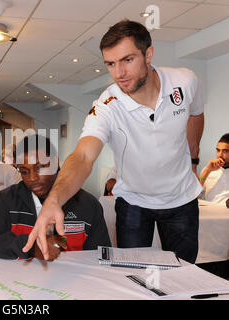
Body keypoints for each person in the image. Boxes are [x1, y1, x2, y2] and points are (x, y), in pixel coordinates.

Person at [23, 19, 205, 264]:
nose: (119, 73)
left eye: (127, 60)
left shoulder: (185, 81)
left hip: (182, 198)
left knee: (184, 274)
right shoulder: (107, 106)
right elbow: (83, 156)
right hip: (134, 202)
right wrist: (54, 199)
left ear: (148, 54)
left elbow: (195, 113)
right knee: (132, 275)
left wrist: (193, 157)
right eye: (110, 63)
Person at [0, 134, 111, 261]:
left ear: (55, 163)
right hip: (19, 278)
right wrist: (31, 246)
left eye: (40, 167)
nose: (32, 178)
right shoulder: (8, 200)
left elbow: (102, 256)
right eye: (24, 171)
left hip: (72, 278)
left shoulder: (87, 205)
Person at [198, 133, 229, 205]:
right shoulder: (208, 170)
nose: (220, 155)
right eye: (218, 150)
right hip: (209, 213)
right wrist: (207, 171)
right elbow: (194, 196)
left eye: (225, 151)